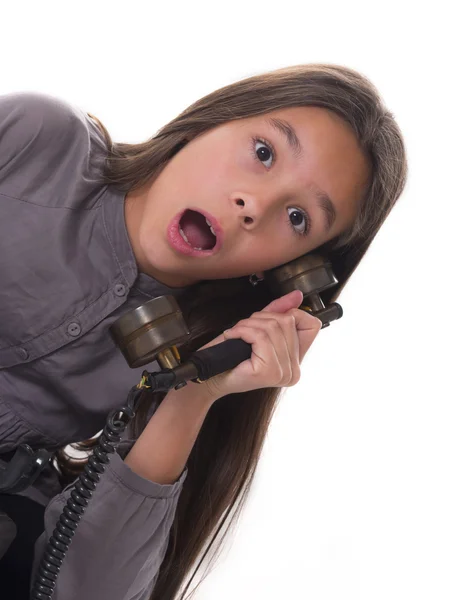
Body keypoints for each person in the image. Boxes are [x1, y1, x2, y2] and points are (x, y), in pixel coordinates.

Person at [0, 64, 407, 600]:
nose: (253, 207)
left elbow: (88, 590)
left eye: (297, 217)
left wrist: (195, 394)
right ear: (211, 121)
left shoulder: (190, 353)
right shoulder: (40, 138)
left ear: (290, 267)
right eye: (263, 153)